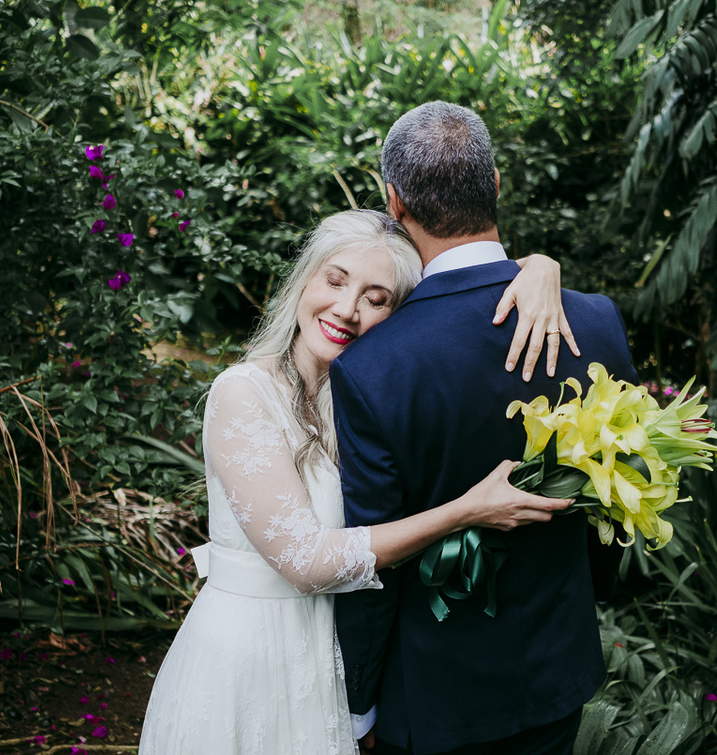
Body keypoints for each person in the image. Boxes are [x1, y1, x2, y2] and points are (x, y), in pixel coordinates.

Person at [138, 208, 578, 755]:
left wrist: (539, 267)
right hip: (250, 657)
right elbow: (307, 562)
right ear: (305, 278)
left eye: (377, 298)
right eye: (335, 280)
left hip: (329, 660)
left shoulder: (361, 405)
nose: (346, 310)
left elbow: (464, 278)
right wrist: (466, 511)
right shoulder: (244, 392)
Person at [331, 101, 639, 755]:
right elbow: (623, 488)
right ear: (497, 183)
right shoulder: (598, 322)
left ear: (396, 203)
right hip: (556, 665)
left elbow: (371, 561)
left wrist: (359, 706)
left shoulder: (372, 367)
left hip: (434, 695)